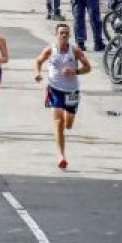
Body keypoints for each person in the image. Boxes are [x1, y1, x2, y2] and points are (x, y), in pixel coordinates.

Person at [34, 22, 91, 169]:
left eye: (67, 33)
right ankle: (61, 156)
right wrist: (37, 74)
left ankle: (68, 121)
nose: (64, 35)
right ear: (56, 35)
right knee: (58, 123)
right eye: (61, 33)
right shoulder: (50, 50)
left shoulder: (75, 51)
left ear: (69, 35)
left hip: (72, 91)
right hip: (55, 90)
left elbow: (88, 67)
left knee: (68, 125)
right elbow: (38, 61)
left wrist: (75, 72)